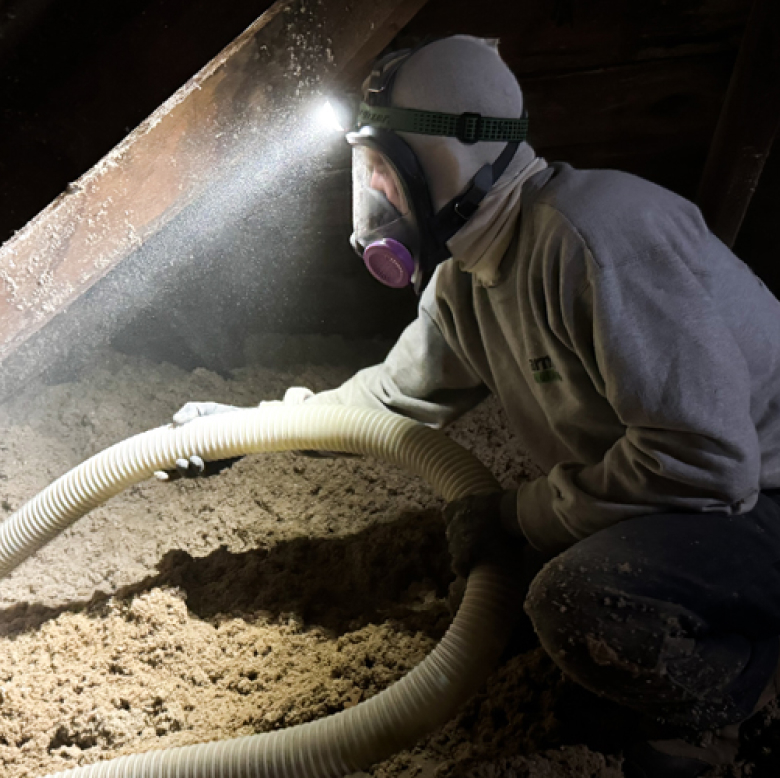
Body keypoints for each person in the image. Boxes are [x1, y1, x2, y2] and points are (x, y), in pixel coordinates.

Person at [167, 36, 780, 778]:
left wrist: (521, 514)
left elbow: (707, 465)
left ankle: (728, 702)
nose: (375, 197)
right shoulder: (468, 278)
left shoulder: (597, 237)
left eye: (384, 171)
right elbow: (386, 402)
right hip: (694, 495)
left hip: (757, 497)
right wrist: (242, 429)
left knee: (578, 599)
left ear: (447, 160)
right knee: (526, 582)